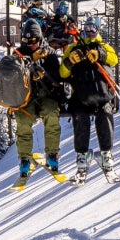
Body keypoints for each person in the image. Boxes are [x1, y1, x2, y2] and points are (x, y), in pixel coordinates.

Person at [9, 37, 71, 184]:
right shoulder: (20, 54)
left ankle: (52, 154)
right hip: (27, 98)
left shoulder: (49, 53)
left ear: (40, 39)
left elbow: (58, 75)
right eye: (27, 41)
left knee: (51, 115)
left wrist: (45, 74)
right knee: (23, 120)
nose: (31, 44)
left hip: (47, 95)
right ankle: (24, 158)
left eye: (34, 41)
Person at [65, 26, 120, 181]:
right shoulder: (73, 48)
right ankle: (82, 155)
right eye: (86, 30)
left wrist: (100, 54)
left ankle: (106, 153)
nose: (89, 33)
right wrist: (70, 61)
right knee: (80, 118)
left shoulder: (103, 46)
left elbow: (114, 59)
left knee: (105, 114)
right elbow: (63, 72)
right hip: (81, 96)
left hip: (101, 95)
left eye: (93, 30)